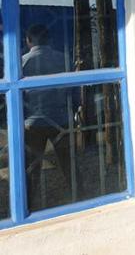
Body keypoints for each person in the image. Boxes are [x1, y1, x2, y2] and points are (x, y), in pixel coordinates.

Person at [22, 24, 72, 207]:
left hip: (34, 123)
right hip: (60, 120)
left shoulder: (23, 62)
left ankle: (27, 205)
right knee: (68, 164)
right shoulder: (63, 58)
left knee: (32, 168)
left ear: (29, 40)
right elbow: (71, 90)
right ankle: (80, 195)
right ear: (49, 39)